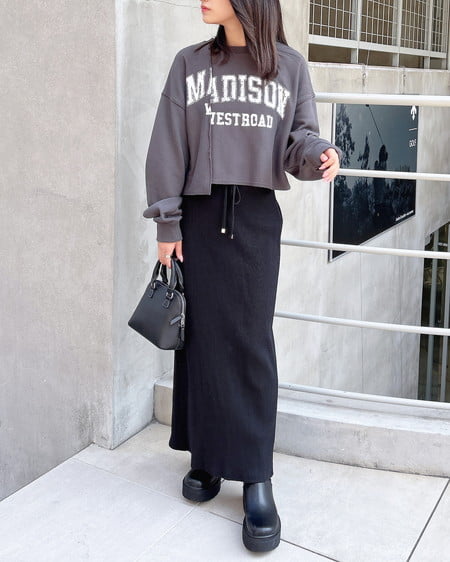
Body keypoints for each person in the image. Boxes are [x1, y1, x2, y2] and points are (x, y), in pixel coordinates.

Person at [143, 0, 341, 552]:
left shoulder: (290, 66)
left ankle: (256, 476)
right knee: (202, 340)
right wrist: (167, 222)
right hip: (199, 217)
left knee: (252, 344)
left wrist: (321, 153)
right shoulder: (189, 64)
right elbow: (167, 144)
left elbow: (300, 139)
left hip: (254, 217)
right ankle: (207, 458)